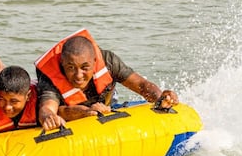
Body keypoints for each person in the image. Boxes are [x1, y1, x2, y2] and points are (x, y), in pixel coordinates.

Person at [34, 29, 178, 131]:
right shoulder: (50, 76)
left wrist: (161, 99)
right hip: (74, 113)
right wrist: (49, 117)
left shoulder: (108, 61)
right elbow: (50, 109)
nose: (78, 75)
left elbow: (141, 85)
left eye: (85, 68)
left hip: (107, 104)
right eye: (71, 68)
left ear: (95, 62)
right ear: (62, 64)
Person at [0, 61, 39, 132]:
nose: (7, 107)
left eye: (14, 101)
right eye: (2, 99)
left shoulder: (39, 97)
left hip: (25, 85)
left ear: (28, 96)